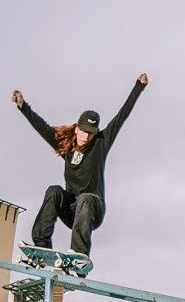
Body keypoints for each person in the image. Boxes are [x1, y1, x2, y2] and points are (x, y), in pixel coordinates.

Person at [11, 73, 148, 272]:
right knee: (54, 190)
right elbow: (42, 128)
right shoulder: (66, 145)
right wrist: (23, 106)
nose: (86, 137)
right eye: (83, 131)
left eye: (90, 134)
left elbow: (122, 116)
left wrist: (138, 87)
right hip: (72, 211)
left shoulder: (101, 143)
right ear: (76, 128)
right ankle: (41, 245)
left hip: (93, 209)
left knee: (84, 197)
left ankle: (79, 255)